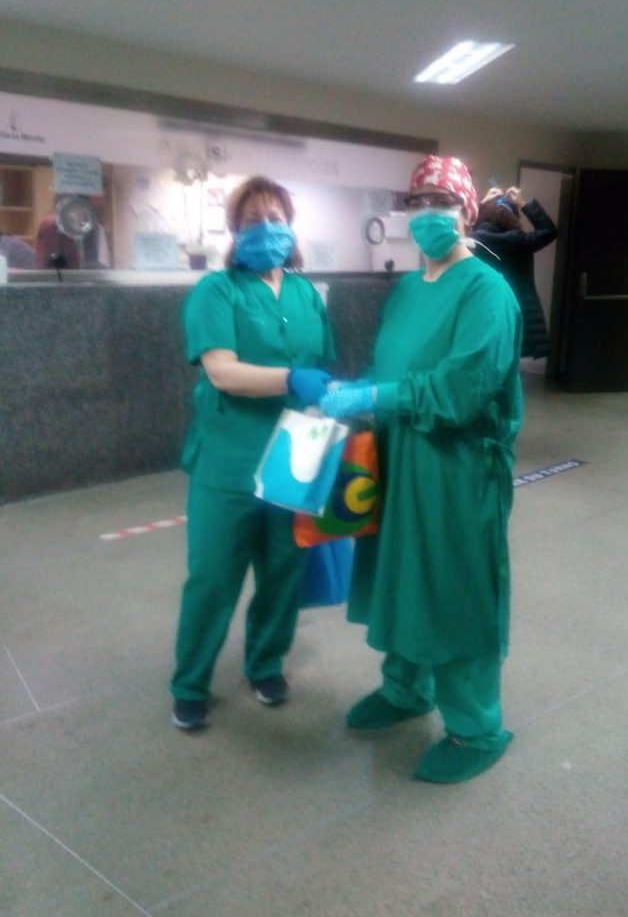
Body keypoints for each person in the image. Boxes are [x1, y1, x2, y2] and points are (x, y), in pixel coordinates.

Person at [320, 155, 523, 784]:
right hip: (400, 457)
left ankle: (475, 727)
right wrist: (362, 394)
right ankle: (407, 689)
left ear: (466, 213)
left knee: (454, 588)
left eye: (443, 201)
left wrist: (377, 397)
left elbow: (463, 389)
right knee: (401, 576)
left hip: (457, 471)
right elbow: (398, 367)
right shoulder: (409, 290)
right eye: (419, 201)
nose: (429, 212)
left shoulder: (487, 292)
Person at [170, 175, 335, 731]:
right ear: (235, 231)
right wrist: (293, 376)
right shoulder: (216, 292)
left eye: (276, 217)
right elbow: (222, 371)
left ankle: (265, 663)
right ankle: (190, 683)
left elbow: (323, 370)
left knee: (284, 569)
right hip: (229, 460)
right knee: (214, 576)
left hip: (295, 454)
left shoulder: (307, 293)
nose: (267, 229)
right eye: (254, 220)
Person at [471, 186, 558, 359]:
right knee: (509, 365)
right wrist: (523, 203)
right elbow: (549, 231)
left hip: (482, 311)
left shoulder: (472, 241)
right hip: (517, 312)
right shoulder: (518, 241)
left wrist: (481, 205)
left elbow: (457, 231)